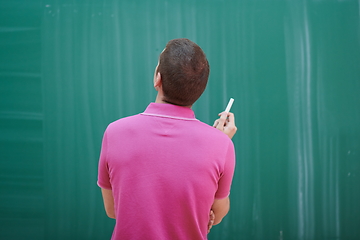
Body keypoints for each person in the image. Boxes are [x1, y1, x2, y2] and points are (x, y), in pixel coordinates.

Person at [97, 38, 237, 240]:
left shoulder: (115, 132)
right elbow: (218, 213)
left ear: (157, 78)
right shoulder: (221, 144)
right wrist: (218, 142)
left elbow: (113, 210)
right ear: (199, 90)